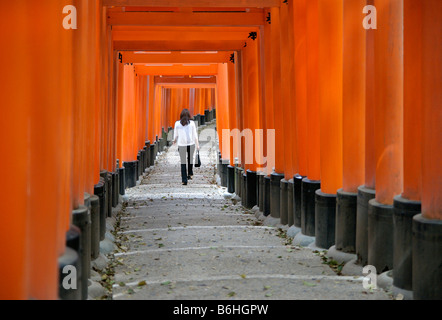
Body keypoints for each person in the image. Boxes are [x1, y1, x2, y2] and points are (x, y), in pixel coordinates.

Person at [172, 109, 200, 185]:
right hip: (191, 144)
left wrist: (174, 141)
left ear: (181, 116)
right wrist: (197, 145)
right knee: (190, 159)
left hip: (181, 145)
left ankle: (184, 180)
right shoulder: (192, 123)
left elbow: (176, 135)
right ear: (189, 116)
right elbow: (195, 135)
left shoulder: (177, 124)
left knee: (183, 162)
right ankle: (190, 173)